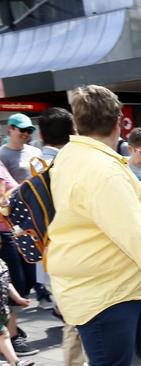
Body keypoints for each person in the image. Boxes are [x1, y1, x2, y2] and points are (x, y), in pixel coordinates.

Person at [47, 85, 141, 366]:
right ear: (119, 120)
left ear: (76, 122)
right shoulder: (101, 169)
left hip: (130, 281)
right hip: (104, 290)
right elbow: (135, 232)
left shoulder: (73, 157)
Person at [37, 107, 88, 366]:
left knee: (73, 319)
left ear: (41, 134)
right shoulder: (73, 164)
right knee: (78, 321)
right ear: (73, 132)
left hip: (51, 253)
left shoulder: (35, 164)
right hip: (79, 251)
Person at [0, 113, 42, 356]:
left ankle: (11, 330)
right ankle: (13, 335)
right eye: (22, 130)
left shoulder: (31, 152)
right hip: (7, 229)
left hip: (30, 226)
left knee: (25, 282)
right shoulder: (2, 155)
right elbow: (5, 193)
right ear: (10, 129)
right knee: (14, 282)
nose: (26, 134)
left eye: (29, 130)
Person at [0, 258, 33, 366]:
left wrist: (18, 298)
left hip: (2, 310)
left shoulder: (2, 264)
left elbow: (7, 283)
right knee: (4, 335)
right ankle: (16, 362)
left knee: (3, 335)